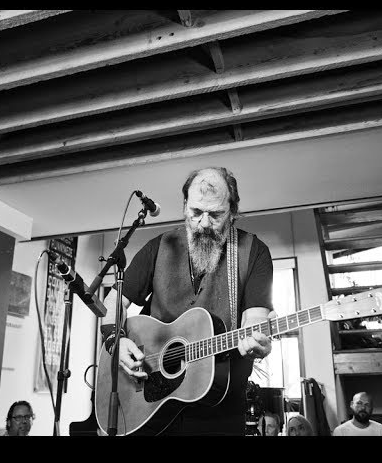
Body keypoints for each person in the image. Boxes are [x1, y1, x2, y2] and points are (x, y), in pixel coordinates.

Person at [100, 167, 274, 436]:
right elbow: (114, 302)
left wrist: (257, 343)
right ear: (184, 206)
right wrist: (116, 340)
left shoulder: (253, 252)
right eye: (196, 212)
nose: (204, 223)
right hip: (150, 402)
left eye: (215, 214)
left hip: (219, 407)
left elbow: (256, 322)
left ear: (233, 211)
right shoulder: (159, 246)